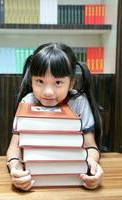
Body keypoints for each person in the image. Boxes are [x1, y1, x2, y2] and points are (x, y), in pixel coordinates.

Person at [6, 43, 104, 191]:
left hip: (72, 182)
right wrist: (15, 167)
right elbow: (14, 147)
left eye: (58, 82)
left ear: (71, 83)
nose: (48, 92)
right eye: (40, 81)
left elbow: (91, 146)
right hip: (34, 181)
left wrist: (92, 165)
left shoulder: (78, 102)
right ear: (31, 80)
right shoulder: (27, 101)